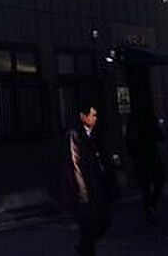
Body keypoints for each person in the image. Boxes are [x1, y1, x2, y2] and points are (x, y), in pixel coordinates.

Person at [62, 100, 112, 256]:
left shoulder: (93, 134)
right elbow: (74, 165)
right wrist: (82, 192)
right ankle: (85, 248)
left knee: (100, 222)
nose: (95, 118)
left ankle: (84, 247)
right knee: (89, 225)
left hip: (96, 187)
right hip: (84, 190)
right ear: (83, 116)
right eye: (92, 115)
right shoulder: (75, 134)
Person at [125, 108, 164, 221]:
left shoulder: (133, 120)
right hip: (150, 155)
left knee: (145, 184)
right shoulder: (149, 117)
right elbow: (159, 136)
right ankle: (151, 205)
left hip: (140, 158)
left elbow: (129, 140)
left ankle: (149, 206)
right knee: (158, 180)